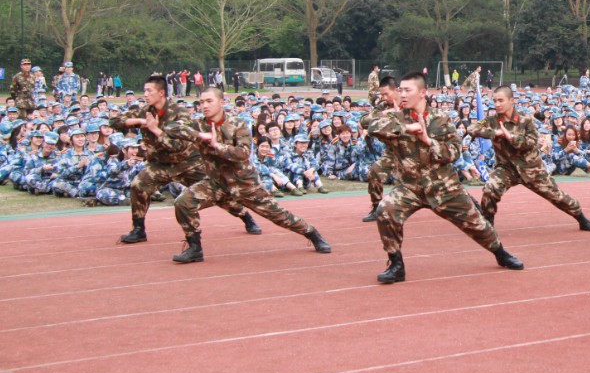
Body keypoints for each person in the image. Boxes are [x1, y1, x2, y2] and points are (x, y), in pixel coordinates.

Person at [365, 71, 524, 283]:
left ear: (422, 93)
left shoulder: (441, 119)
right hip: (410, 187)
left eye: (407, 90)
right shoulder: (394, 116)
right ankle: (396, 264)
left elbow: (455, 152)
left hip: (445, 188)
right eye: (400, 90)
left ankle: (500, 253)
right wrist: (407, 127)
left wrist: (428, 140)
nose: (402, 94)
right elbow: (371, 125)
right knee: (386, 210)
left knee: (479, 226)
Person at [169, 88, 331, 263]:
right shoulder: (199, 124)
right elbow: (170, 128)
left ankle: (312, 233)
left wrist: (216, 145)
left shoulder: (238, 124)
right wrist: (199, 135)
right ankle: (195, 248)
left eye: (209, 101)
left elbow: (243, 153)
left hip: (244, 184)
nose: (204, 105)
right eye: (201, 102)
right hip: (216, 183)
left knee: (278, 215)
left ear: (222, 103)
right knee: (183, 203)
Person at [111, 75, 261, 244]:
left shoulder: (179, 113)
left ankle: (245, 217)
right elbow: (114, 121)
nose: (145, 94)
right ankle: (138, 229)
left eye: (149, 90)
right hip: (160, 164)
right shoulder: (144, 111)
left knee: (218, 194)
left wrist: (154, 129)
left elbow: (177, 145)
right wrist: (139, 121)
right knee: (138, 186)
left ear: (161, 93)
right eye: (145, 90)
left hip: (188, 163)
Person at [471, 86, 590, 232]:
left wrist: (510, 136)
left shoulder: (526, 120)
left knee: (558, 196)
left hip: (532, 168)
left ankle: (581, 219)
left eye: (501, 100)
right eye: (495, 101)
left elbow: (532, 142)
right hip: (506, 168)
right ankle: (488, 224)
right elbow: (473, 128)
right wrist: (495, 132)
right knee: (490, 188)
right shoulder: (491, 120)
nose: (497, 104)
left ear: (511, 100)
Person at [360, 76, 398, 222]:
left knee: (437, 183)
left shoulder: (409, 104)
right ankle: (376, 208)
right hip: (393, 151)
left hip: (413, 152)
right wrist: (385, 115)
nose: (383, 97)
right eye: (381, 94)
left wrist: (397, 114)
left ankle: (468, 203)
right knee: (375, 172)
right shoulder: (383, 107)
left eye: (386, 94)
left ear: (396, 91)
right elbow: (364, 121)